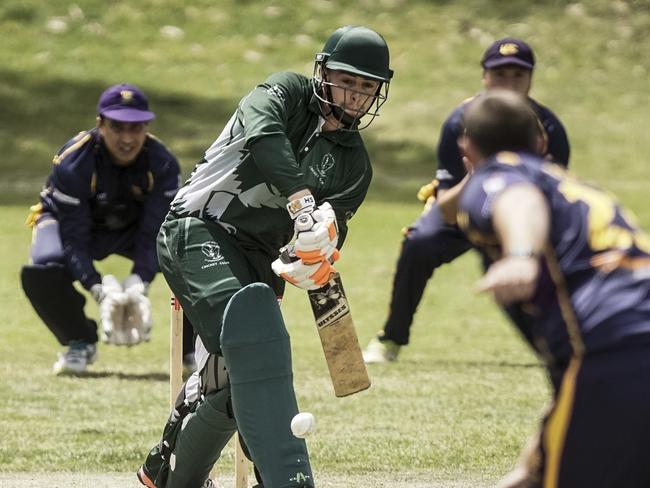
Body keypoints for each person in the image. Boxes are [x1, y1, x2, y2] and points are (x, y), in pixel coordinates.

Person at [136, 25, 393, 488]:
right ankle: (282, 478)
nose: (354, 95)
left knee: (240, 377)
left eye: (366, 87)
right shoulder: (284, 92)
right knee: (257, 353)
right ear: (323, 72)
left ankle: (169, 468)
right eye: (347, 80)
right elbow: (265, 137)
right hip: (198, 228)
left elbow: (337, 224)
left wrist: (320, 245)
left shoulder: (356, 163)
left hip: (260, 260)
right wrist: (301, 201)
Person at [457, 89, 650, 488]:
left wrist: (521, 255)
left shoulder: (498, 173)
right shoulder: (582, 190)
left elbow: (518, 200)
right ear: (542, 143)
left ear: (467, 150)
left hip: (615, 346)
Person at [363, 37, 571, 363]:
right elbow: (446, 209)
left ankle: (557, 343)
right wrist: (479, 177)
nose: (508, 83)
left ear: (530, 79)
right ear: (484, 76)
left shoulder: (548, 128)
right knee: (420, 242)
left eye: (518, 75)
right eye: (500, 75)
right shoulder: (461, 121)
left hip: (521, 222)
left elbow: (549, 202)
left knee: (547, 261)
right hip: (462, 210)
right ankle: (391, 337)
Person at [20, 83, 195, 375]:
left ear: (147, 127)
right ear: (100, 124)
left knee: (195, 260)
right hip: (73, 223)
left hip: (133, 227)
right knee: (44, 266)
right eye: (117, 127)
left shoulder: (162, 162)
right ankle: (79, 342)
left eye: (136, 128)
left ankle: (191, 350)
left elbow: (155, 229)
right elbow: (75, 235)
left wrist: (141, 281)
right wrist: (98, 288)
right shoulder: (73, 161)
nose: (127, 138)